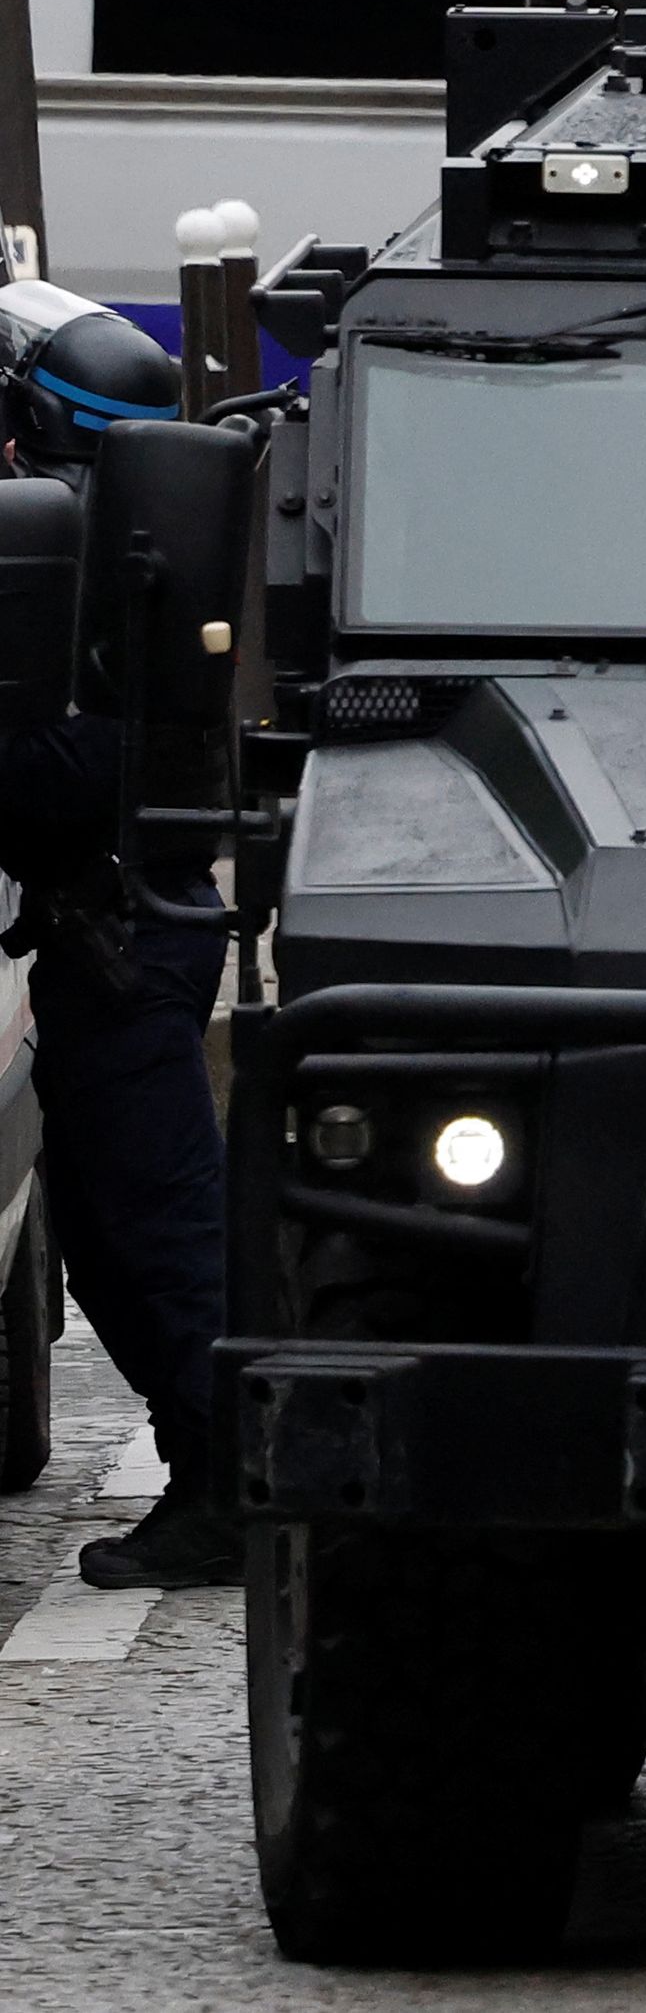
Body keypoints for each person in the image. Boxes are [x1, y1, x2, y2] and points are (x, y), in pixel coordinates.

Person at [0, 293, 235, 1584]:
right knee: (109, 1225)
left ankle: (233, 1492)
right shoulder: (128, 536)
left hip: (127, 932)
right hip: (124, 924)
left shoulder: (96, 553)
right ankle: (209, 1475)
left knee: (158, 1233)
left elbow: (64, 763)